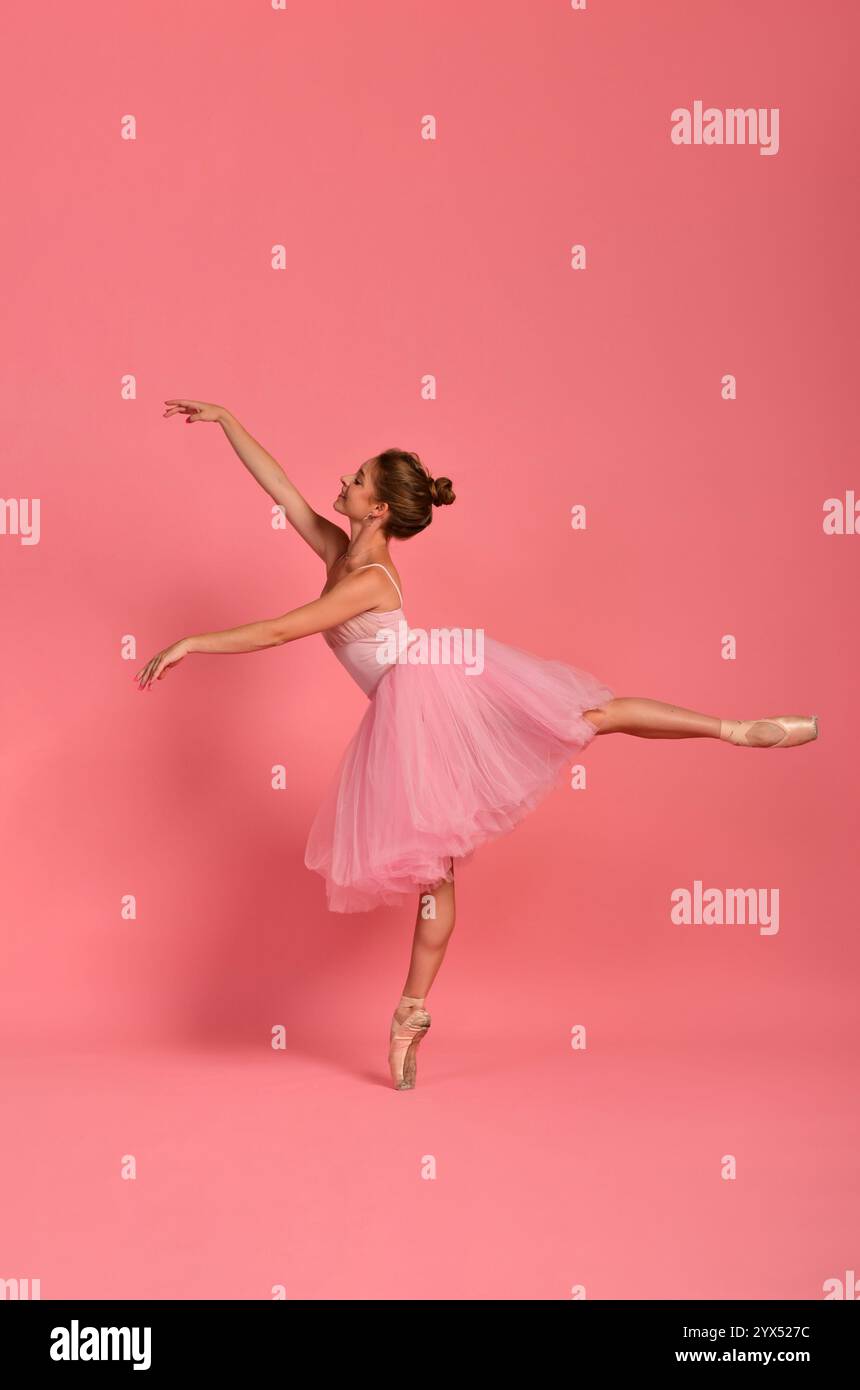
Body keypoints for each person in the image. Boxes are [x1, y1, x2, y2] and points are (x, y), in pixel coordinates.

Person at [136, 401, 820, 1090]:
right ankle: (732, 731)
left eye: (357, 478)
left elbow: (283, 630)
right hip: (427, 694)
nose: (342, 480)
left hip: (428, 699)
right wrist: (227, 422)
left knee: (459, 852)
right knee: (586, 721)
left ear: (377, 510)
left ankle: (411, 1013)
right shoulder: (339, 553)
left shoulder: (369, 581)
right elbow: (280, 487)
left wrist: (194, 640)